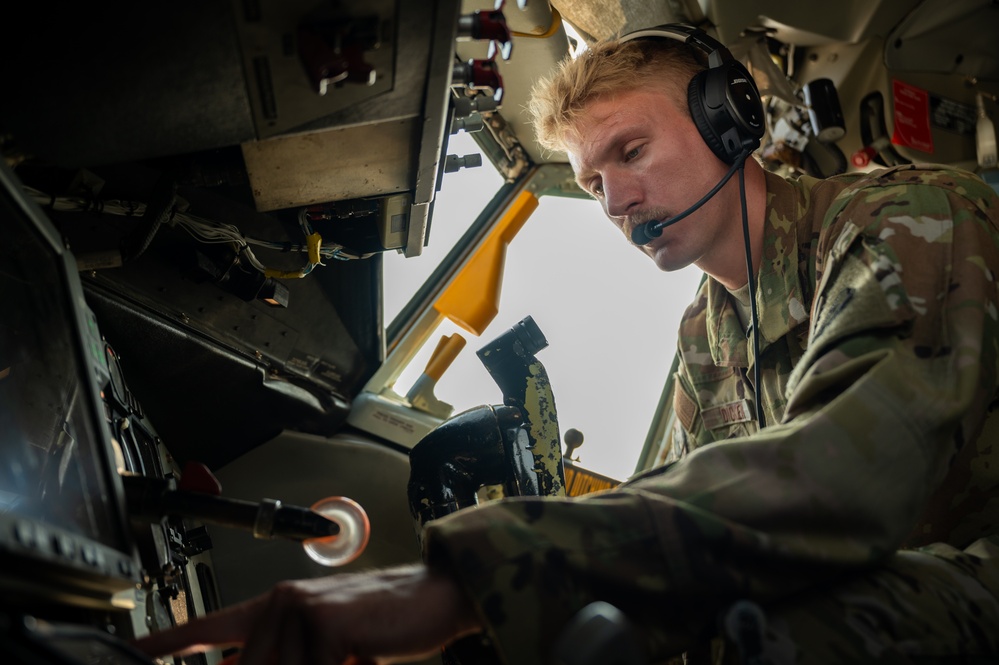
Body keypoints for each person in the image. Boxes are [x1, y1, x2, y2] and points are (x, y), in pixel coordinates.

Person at [135, 25, 999, 665]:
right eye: (590, 182)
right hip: (896, 564)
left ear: (728, 119)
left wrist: (466, 582)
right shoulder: (707, 333)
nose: (615, 200)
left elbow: (842, 475)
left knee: (772, 637)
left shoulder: (908, 219)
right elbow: (678, 507)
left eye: (631, 150)